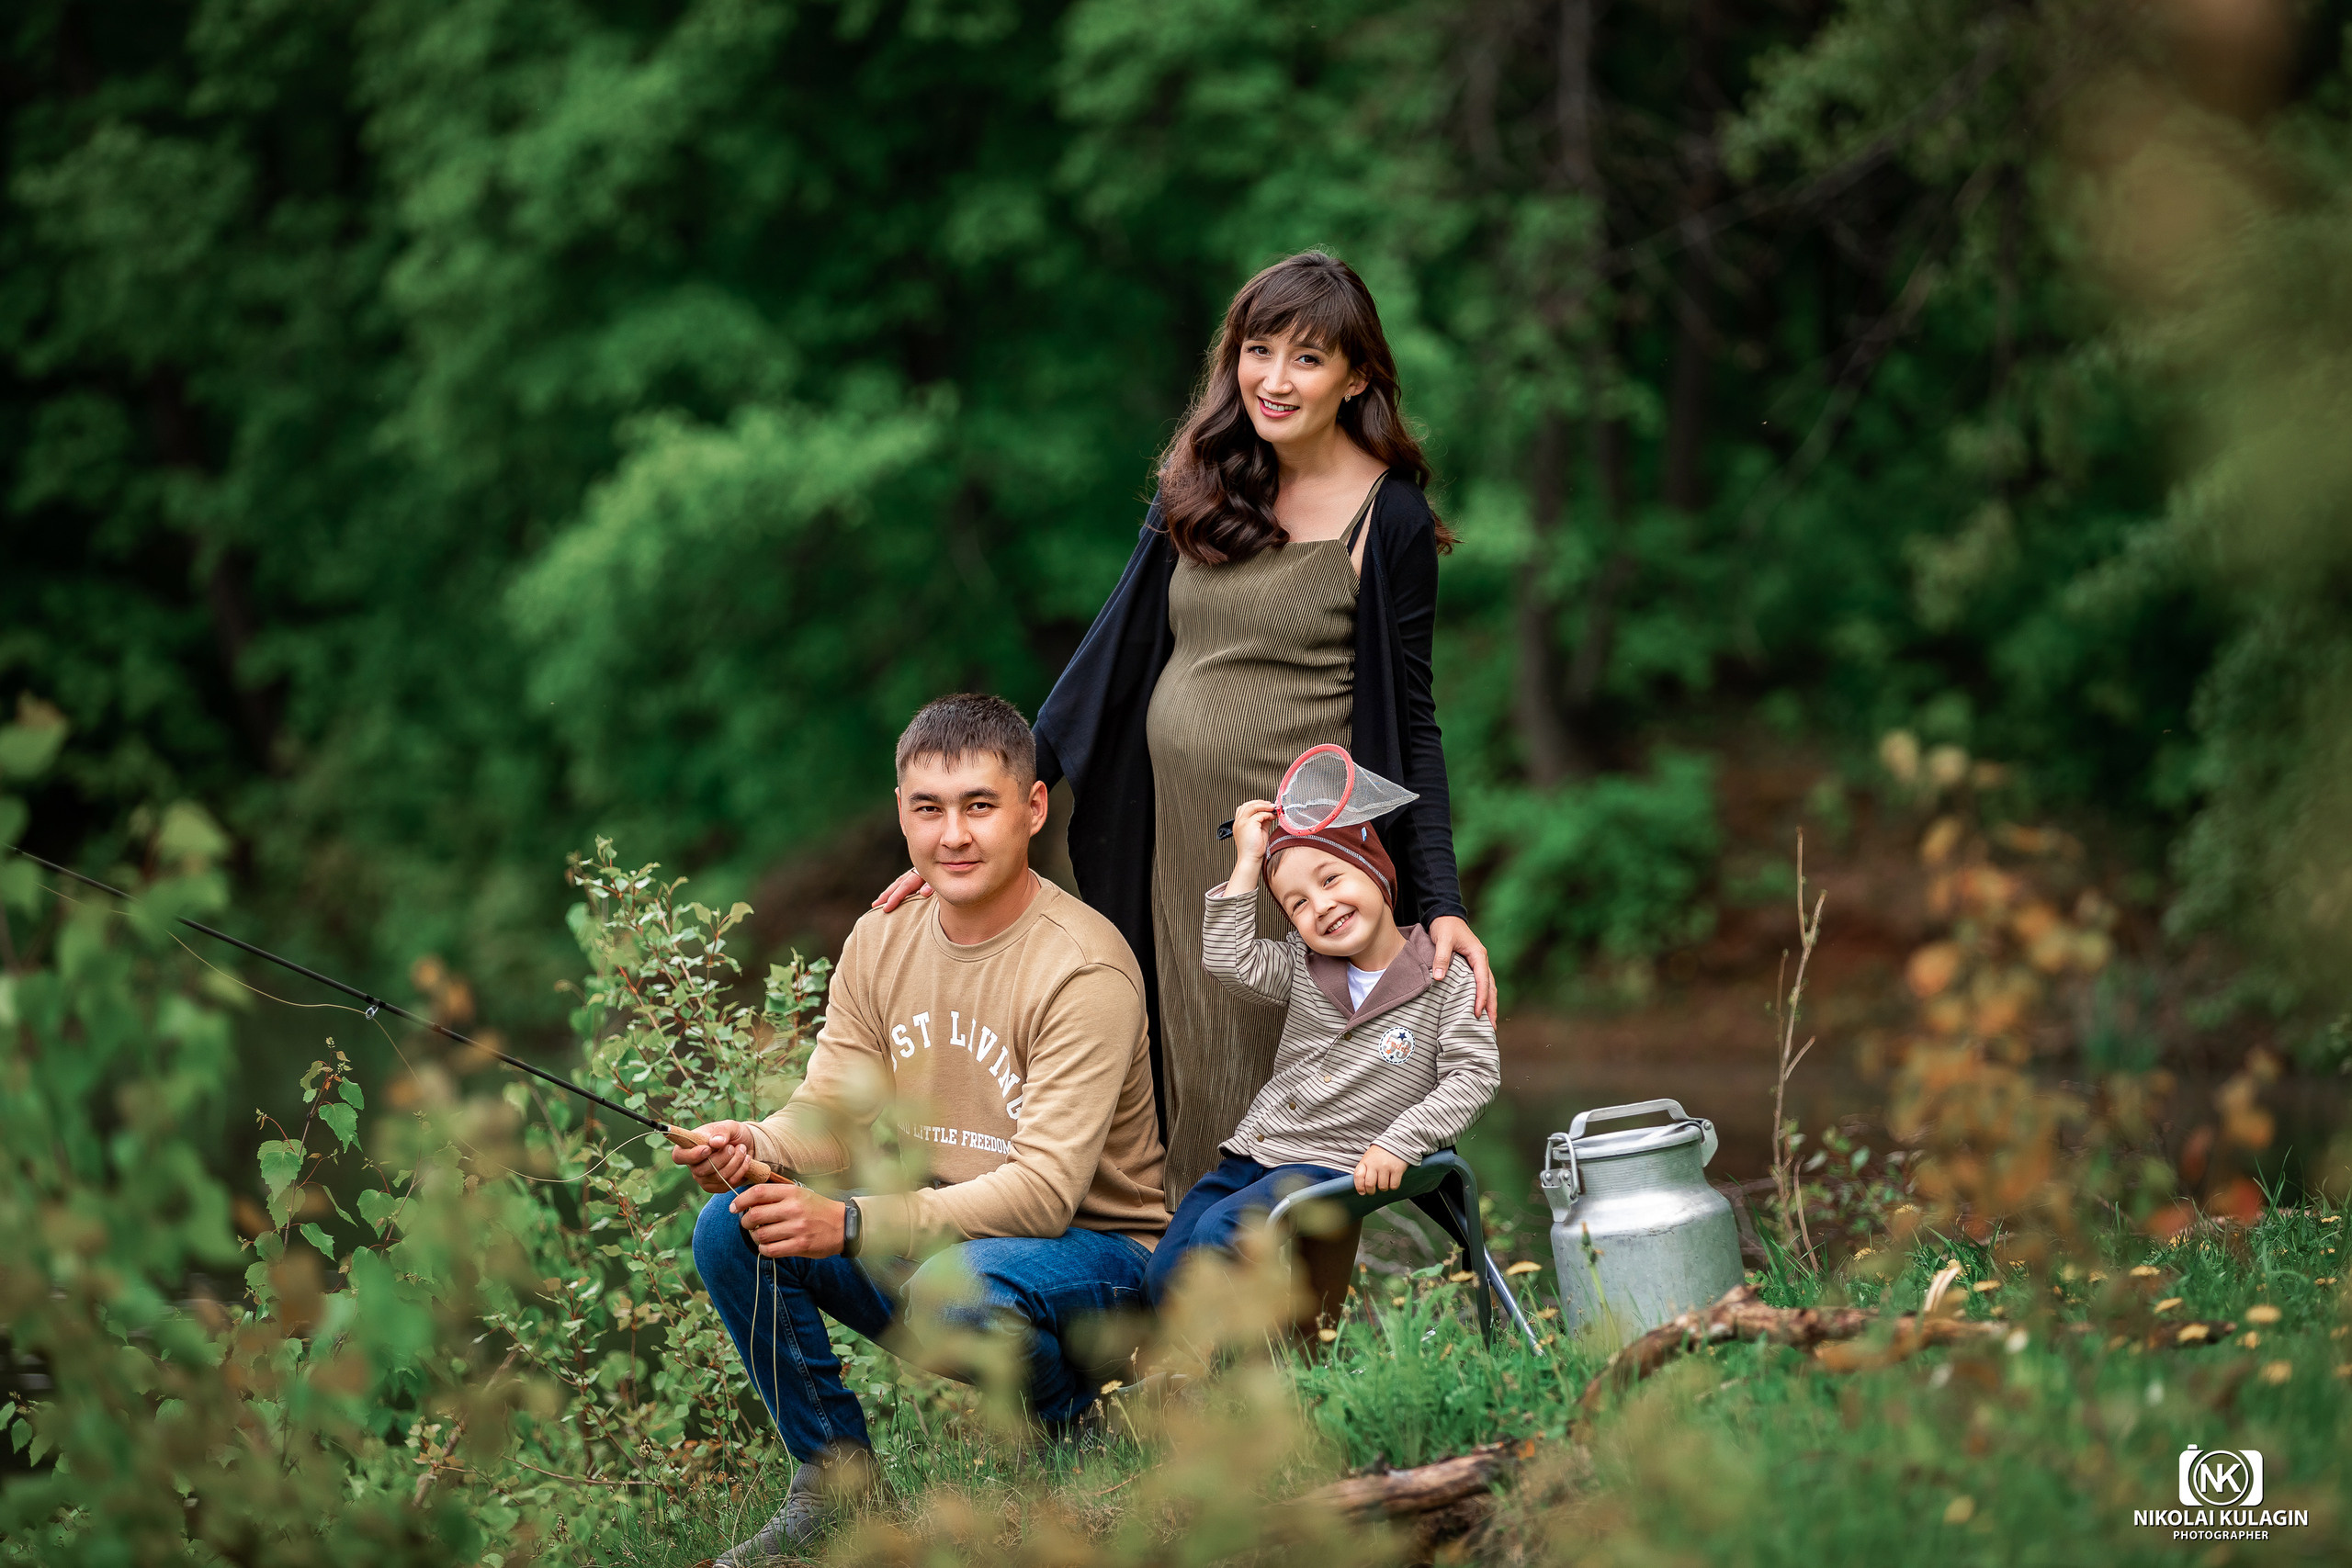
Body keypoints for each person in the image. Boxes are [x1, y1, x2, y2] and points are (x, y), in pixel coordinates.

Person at [881, 251, 1498, 1201]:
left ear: (1356, 377)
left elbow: (1412, 721)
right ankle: (1190, 1281)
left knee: (1298, 1113)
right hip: (1178, 850)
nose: (1275, 379)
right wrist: (984, 823)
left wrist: (1442, 899)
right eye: (1259, 350)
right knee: (1191, 1085)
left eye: (1307, 358)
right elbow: (1107, 660)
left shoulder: (1392, 516)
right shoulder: (1202, 482)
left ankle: (1296, 1291)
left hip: (1296, 855)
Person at [676, 694, 1170, 1558]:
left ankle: (1074, 1424)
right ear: (901, 813)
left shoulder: (1082, 967)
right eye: (929, 808)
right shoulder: (882, 938)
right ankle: (838, 1484)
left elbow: (1045, 1195)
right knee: (732, 1225)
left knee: (956, 1283)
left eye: (979, 805)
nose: (954, 835)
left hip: (1098, 1262)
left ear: (1033, 807)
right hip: (950, 1245)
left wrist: (851, 1221)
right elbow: (832, 1112)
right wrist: (757, 1143)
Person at [1145, 796, 1498, 1304]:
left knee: (1223, 1233)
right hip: (1256, 1150)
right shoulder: (1303, 964)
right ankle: (1176, 1354)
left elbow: (1474, 1075)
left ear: (1377, 872)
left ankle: (1242, 1352)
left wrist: (1401, 1141)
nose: (1322, 905)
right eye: (1298, 904)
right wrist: (1248, 861)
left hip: (1336, 1159)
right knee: (1166, 1269)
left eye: (1331, 879)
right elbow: (1229, 959)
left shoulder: (1445, 975)